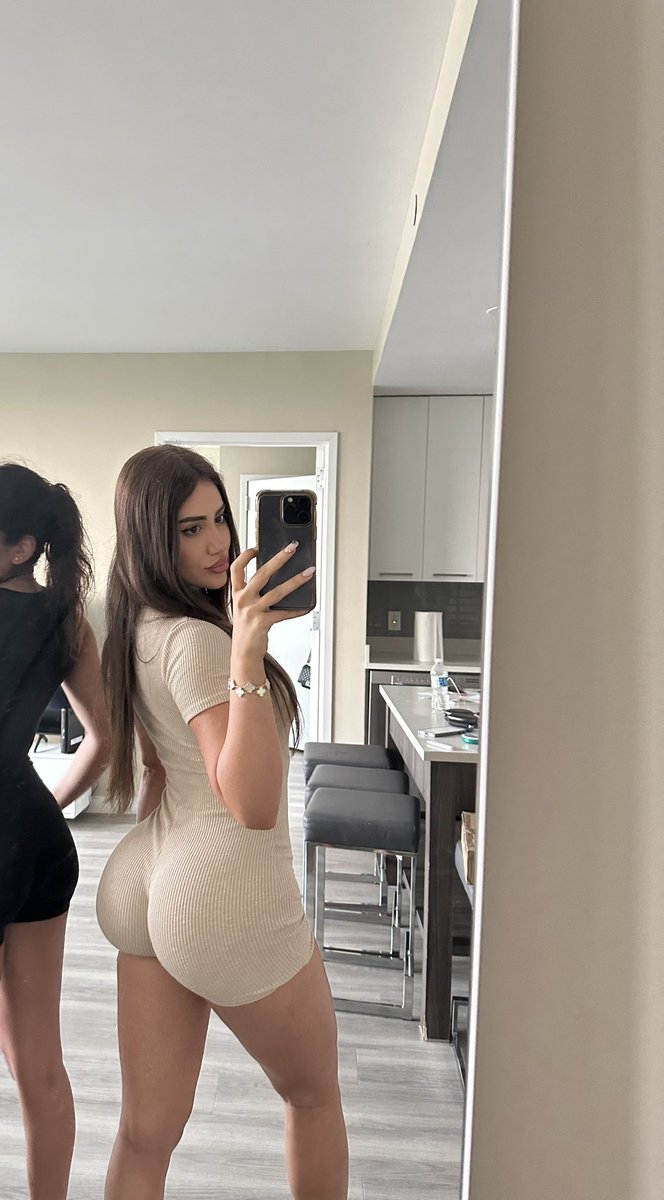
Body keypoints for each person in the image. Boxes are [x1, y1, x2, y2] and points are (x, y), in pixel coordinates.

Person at [97, 444, 348, 1200]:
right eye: (188, 529)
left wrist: (168, 884)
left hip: (148, 873)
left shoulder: (137, 625)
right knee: (313, 1096)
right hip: (222, 888)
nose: (216, 543)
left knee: (144, 1134)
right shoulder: (203, 641)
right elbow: (252, 804)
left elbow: (159, 771)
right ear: (151, 538)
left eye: (219, 520)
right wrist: (246, 651)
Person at [0, 462, 109, 1200]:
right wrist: (43, 804)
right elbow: (103, 743)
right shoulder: (66, 620)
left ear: (21, 546)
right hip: (38, 847)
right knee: (39, 1065)